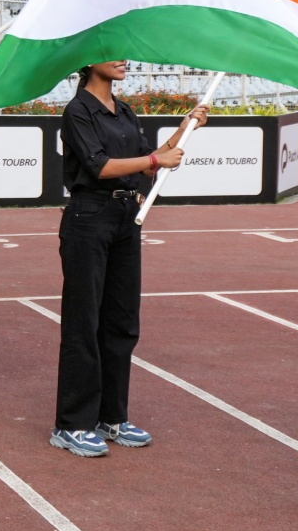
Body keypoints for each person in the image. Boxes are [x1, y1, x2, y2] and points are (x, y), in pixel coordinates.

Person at [52, 62, 200, 457]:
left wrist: (185, 129)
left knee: (121, 322)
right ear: (89, 60)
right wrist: (153, 162)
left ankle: (111, 417)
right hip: (88, 219)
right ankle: (72, 424)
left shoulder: (125, 110)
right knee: (84, 321)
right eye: (114, 51)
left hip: (124, 220)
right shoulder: (78, 111)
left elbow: (150, 158)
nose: (124, 59)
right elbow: (99, 166)